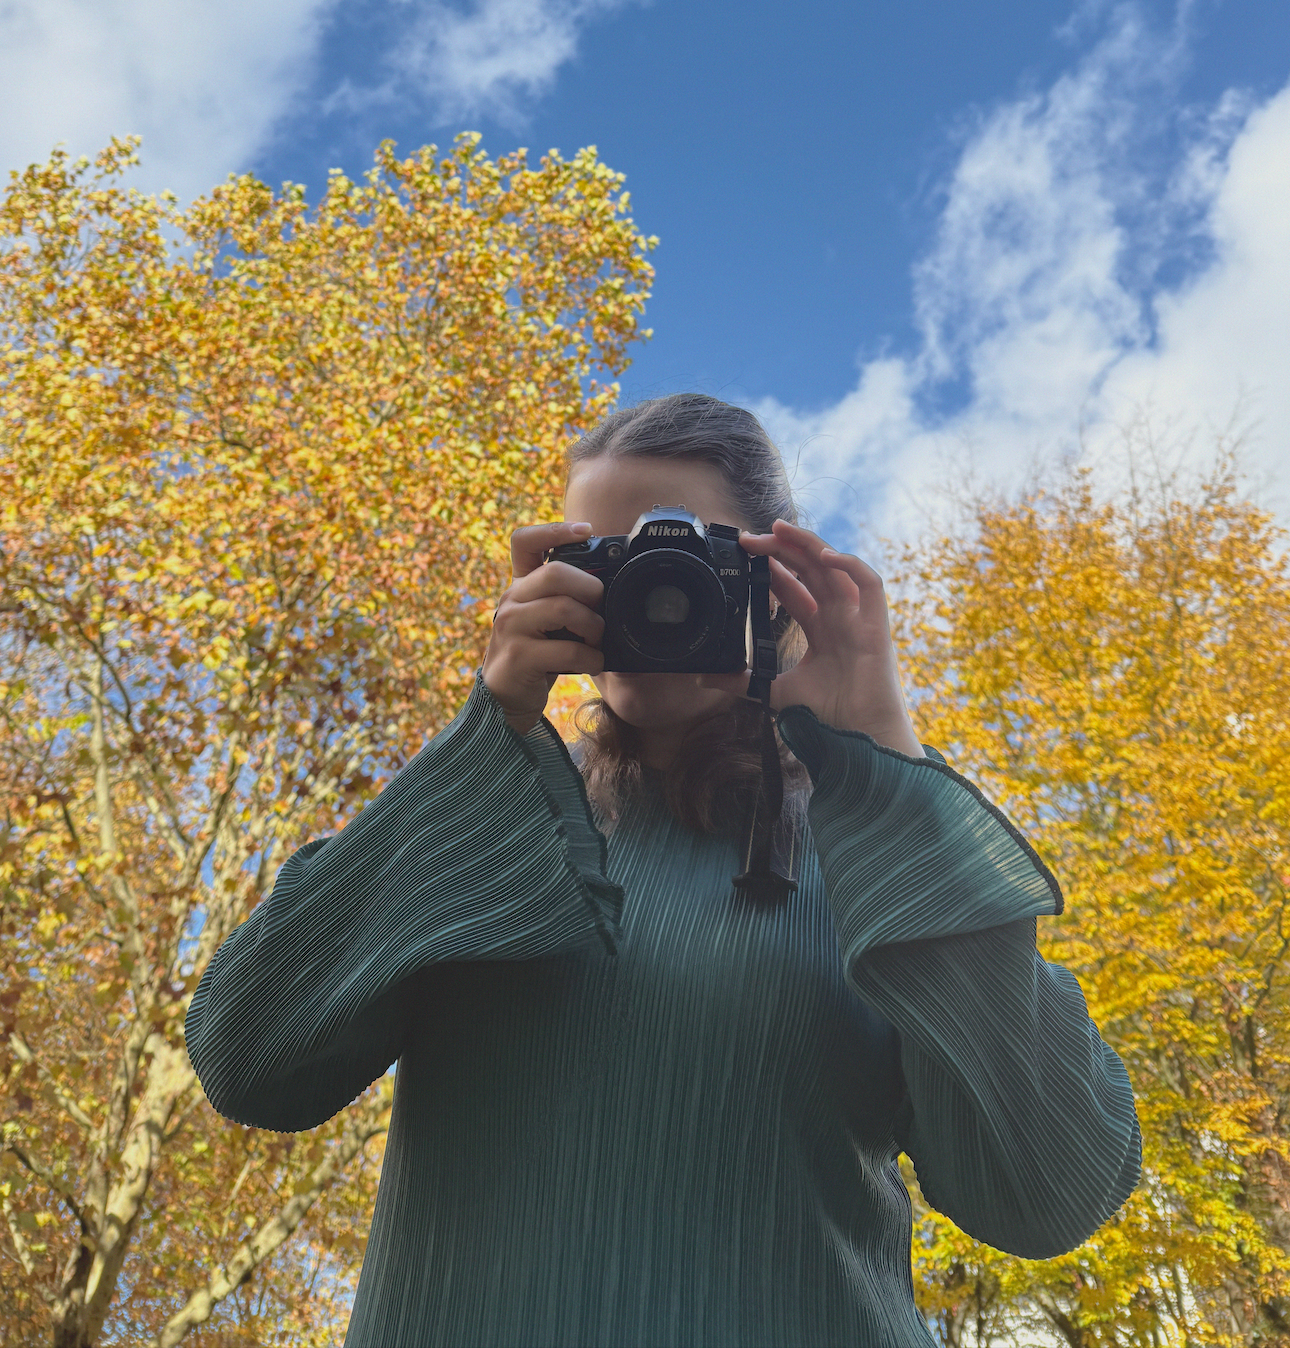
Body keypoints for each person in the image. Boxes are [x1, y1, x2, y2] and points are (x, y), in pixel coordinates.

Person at [186, 394, 1141, 1347]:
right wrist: (491, 726)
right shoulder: (479, 821)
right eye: (605, 563)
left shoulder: (874, 844)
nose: (649, 594)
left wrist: (887, 749)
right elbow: (246, 1058)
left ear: (774, 584)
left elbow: (1047, 1193)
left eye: (688, 560)